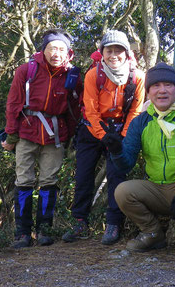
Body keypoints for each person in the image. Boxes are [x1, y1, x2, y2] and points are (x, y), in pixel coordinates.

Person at [101, 63, 175, 261]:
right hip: (155, 188)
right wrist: (117, 150)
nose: (162, 90)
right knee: (123, 190)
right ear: (149, 91)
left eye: (168, 85)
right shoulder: (141, 121)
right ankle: (152, 234)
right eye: (156, 86)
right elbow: (126, 164)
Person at [62, 30, 145, 245]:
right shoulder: (93, 75)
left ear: (127, 53)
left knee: (117, 178)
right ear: (102, 52)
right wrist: (103, 135)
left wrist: (123, 137)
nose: (114, 55)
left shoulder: (138, 77)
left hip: (121, 130)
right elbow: (90, 109)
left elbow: (135, 111)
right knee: (83, 177)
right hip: (92, 130)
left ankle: (113, 224)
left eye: (119, 50)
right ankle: (79, 222)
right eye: (109, 51)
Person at [2, 29, 82, 249]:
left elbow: (74, 110)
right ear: (43, 50)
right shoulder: (26, 70)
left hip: (55, 135)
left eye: (61, 49)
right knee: (24, 181)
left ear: (69, 53)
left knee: (49, 182)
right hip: (27, 133)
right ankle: (22, 233)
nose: (56, 53)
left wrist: (72, 135)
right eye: (52, 48)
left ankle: (44, 231)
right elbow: (13, 103)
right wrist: (11, 134)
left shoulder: (72, 76)